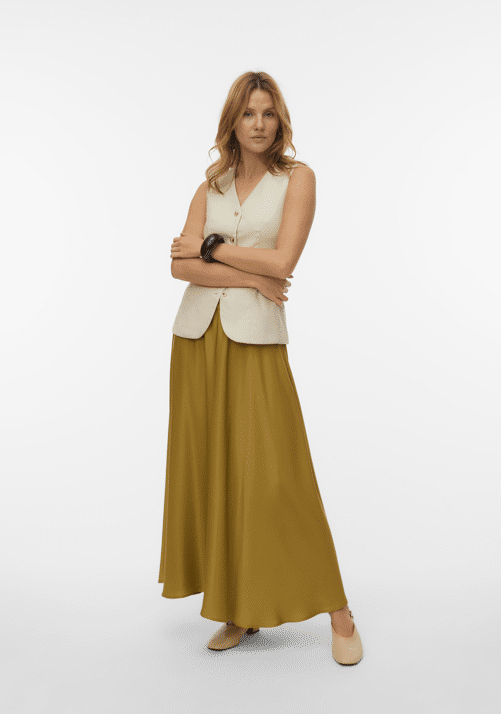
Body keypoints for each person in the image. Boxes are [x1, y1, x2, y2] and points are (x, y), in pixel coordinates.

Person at [159, 71, 363, 666]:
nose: (258, 124)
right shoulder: (211, 186)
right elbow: (179, 267)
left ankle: (340, 612)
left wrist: (213, 249)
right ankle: (237, 608)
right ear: (232, 120)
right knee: (218, 473)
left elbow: (283, 260)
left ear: (280, 121)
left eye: (268, 113)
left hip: (255, 341)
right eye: (248, 113)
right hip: (196, 338)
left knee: (278, 475)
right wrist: (250, 277)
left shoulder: (298, 179)